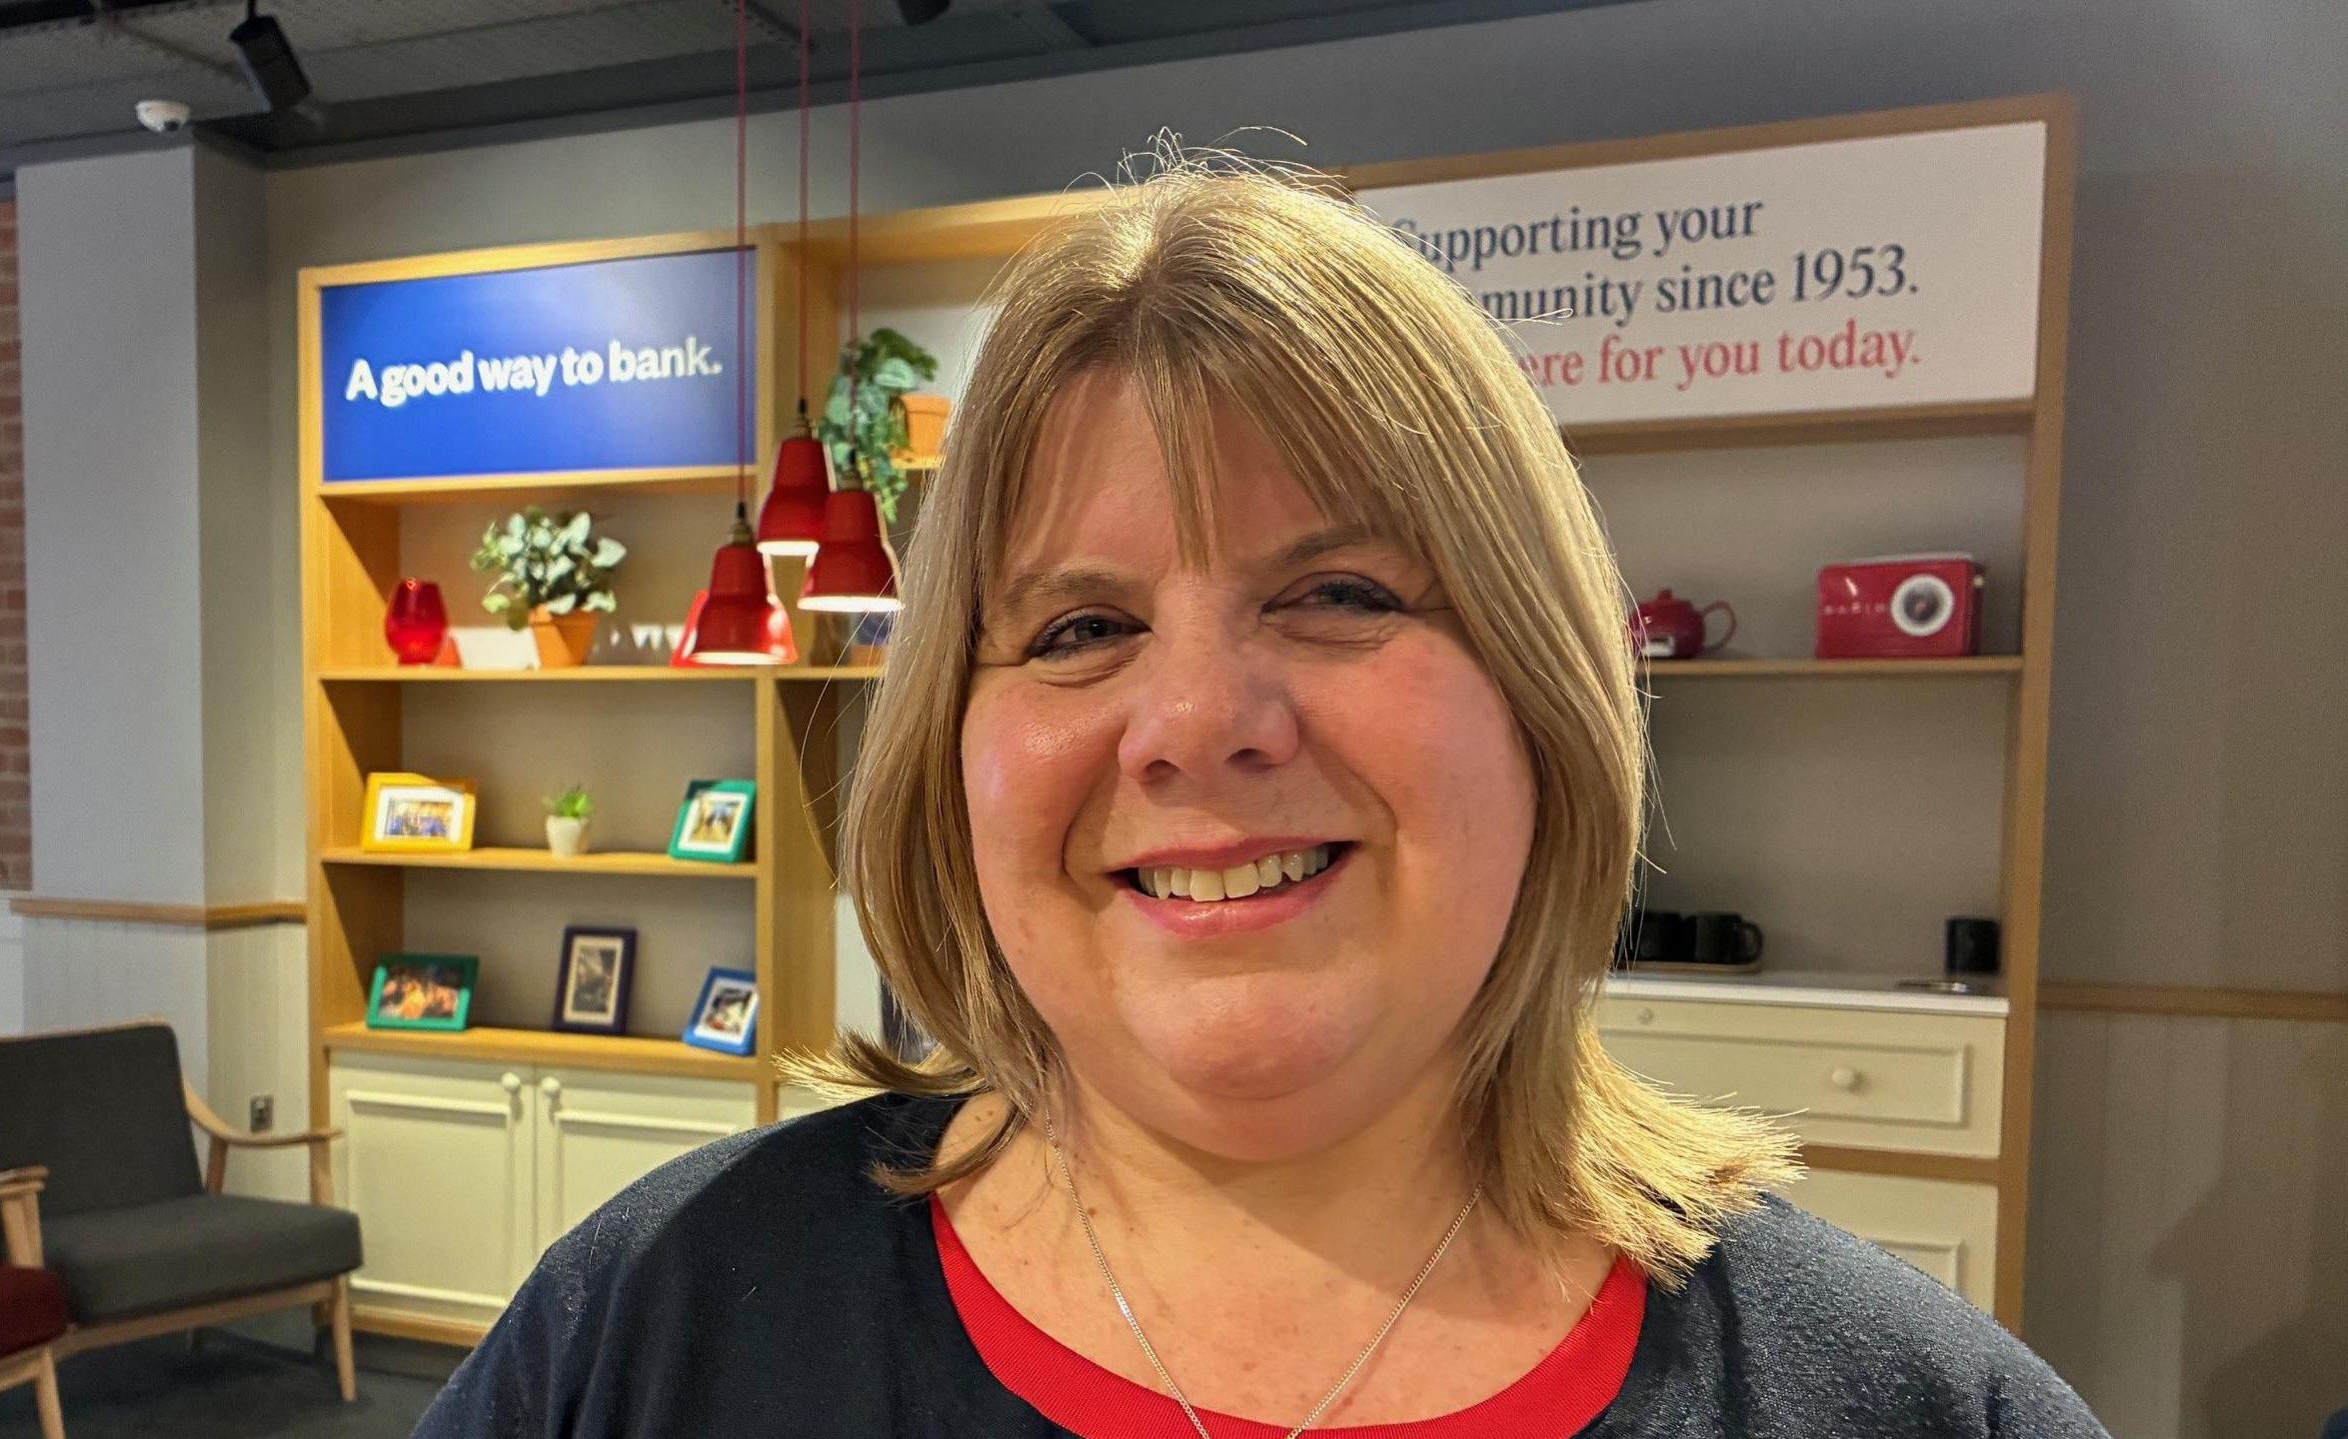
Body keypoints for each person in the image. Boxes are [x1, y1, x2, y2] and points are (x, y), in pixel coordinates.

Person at [412, 153, 2109, 1438]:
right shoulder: (647, 1323)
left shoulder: (1916, 1408)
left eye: (1340, 595)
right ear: (949, 750)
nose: (1197, 724)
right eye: (1080, 629)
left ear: (1544, 697)